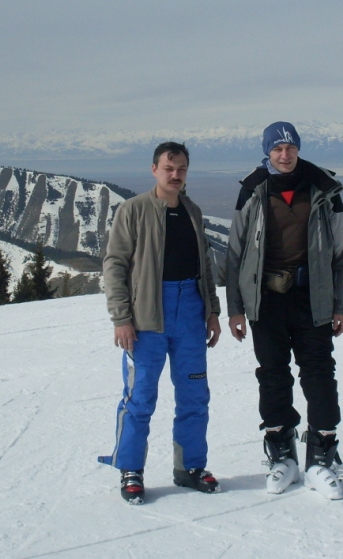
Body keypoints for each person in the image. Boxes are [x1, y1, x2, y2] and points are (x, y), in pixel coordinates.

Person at [225, 122, 343, 500]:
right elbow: (235, 252)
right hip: (265, 299)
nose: (285, 155)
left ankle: (321, 458)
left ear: (298, 149)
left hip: (313, 297)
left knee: (319, 374)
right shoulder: (253, 189)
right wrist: (235, 308)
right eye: (277, 149)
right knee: (273, 375)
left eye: (290, 148)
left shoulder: (324, 188)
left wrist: (341, 305)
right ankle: (283, 455)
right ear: (267, 151)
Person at [98, 141, 222, 504]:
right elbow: (115, 265)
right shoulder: (134, 210)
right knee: (140, 397)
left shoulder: (192, 211)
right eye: (169, 168)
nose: (175, 175)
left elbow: (205, 264)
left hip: (191, 312)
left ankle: (190, 468)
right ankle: (131, 469)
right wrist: (122, 318)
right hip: (146, 317)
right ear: (154, 169)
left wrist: (212, 311)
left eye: (181, 169)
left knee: (195, 397)